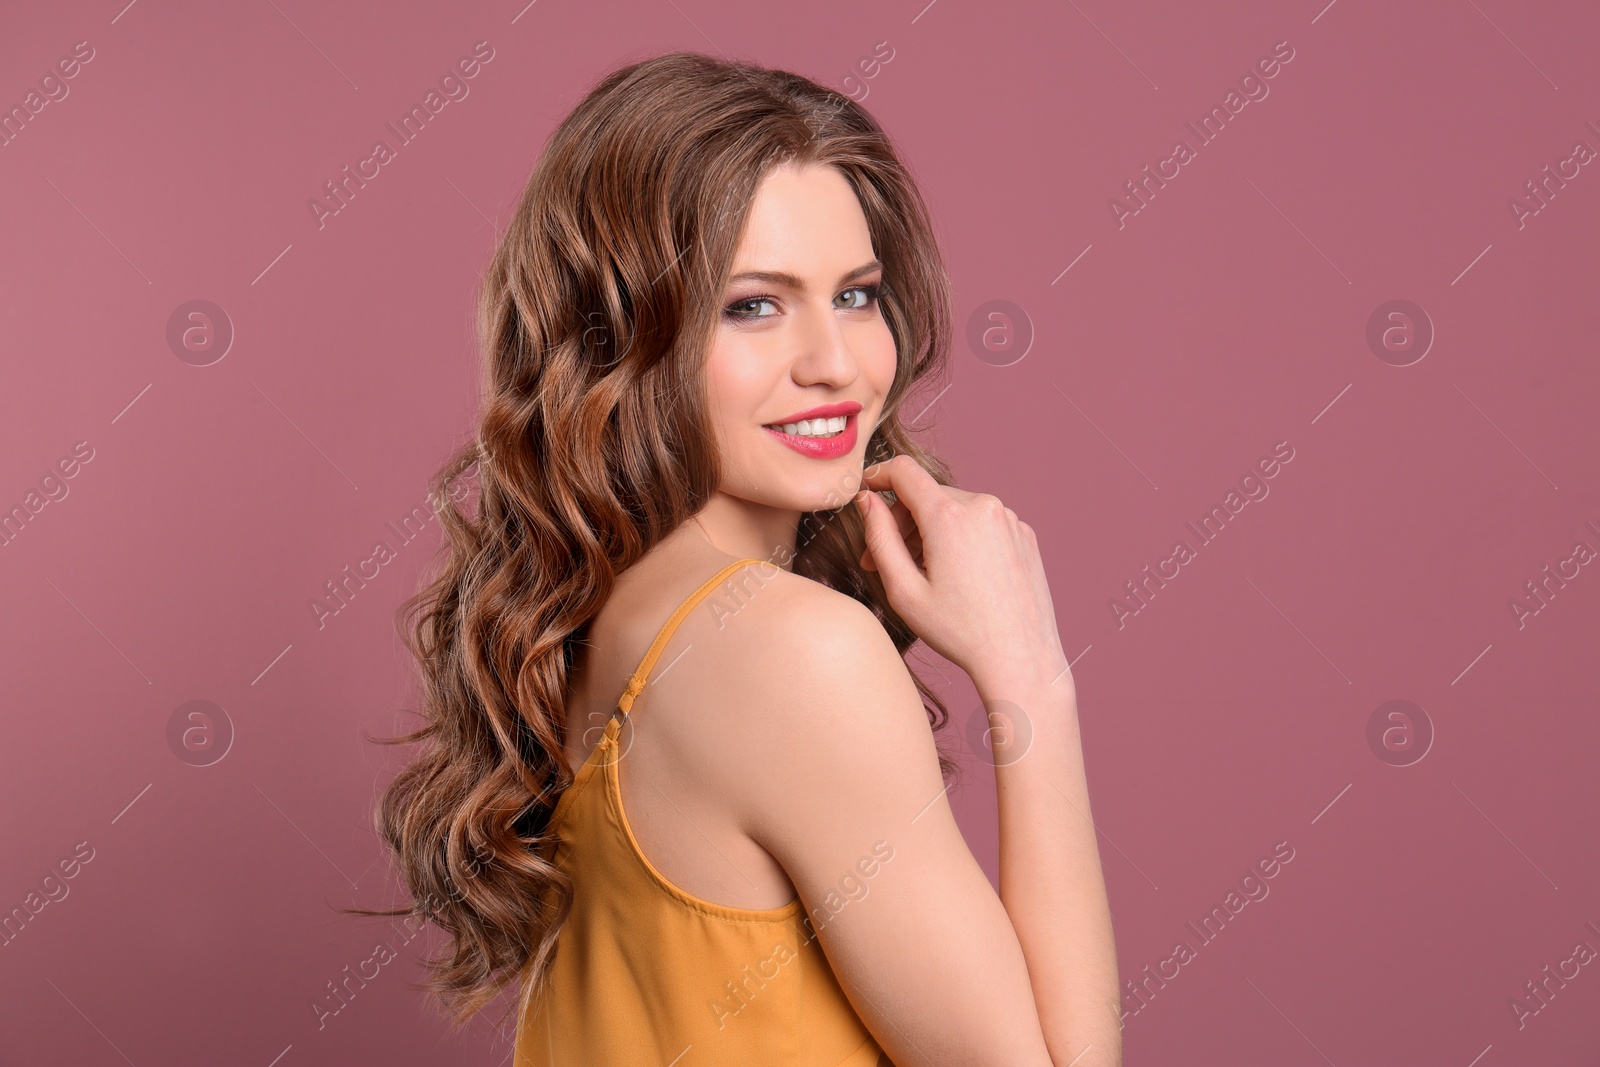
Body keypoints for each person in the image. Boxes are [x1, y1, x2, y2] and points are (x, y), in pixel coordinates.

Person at [365, 51, 1121, 1067]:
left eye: (856, 295)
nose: (835, 363)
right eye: (753, 305)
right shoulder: (791, 650)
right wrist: (1030, 678)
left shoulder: (601, 618)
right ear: (623, 336)